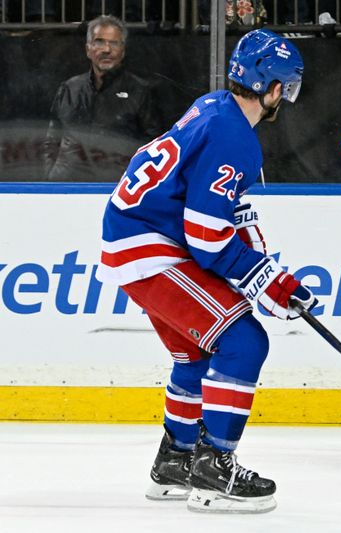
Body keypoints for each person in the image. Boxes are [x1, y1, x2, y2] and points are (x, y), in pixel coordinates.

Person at [97, 29, 313, 513]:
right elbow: (207, 235)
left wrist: (267, 273)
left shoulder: (214, 106)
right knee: (243, 341)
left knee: (195, 351)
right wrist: (266, 281)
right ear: (274, 88)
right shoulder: (236, 137)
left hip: (134, 238)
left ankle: (175, 460)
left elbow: (225, 215)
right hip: (151, 246)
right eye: (288, 88)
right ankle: (215, 467)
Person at [44, 15, 161, 181]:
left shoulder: (140, 91)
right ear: (88, 49)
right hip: (66, 188)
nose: (106, 49)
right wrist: (50, 179)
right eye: (99, 42)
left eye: (114, 43)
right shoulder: (69, 88)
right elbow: (51, 140)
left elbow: (153, 144)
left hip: (115, 188)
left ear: (123, 51)